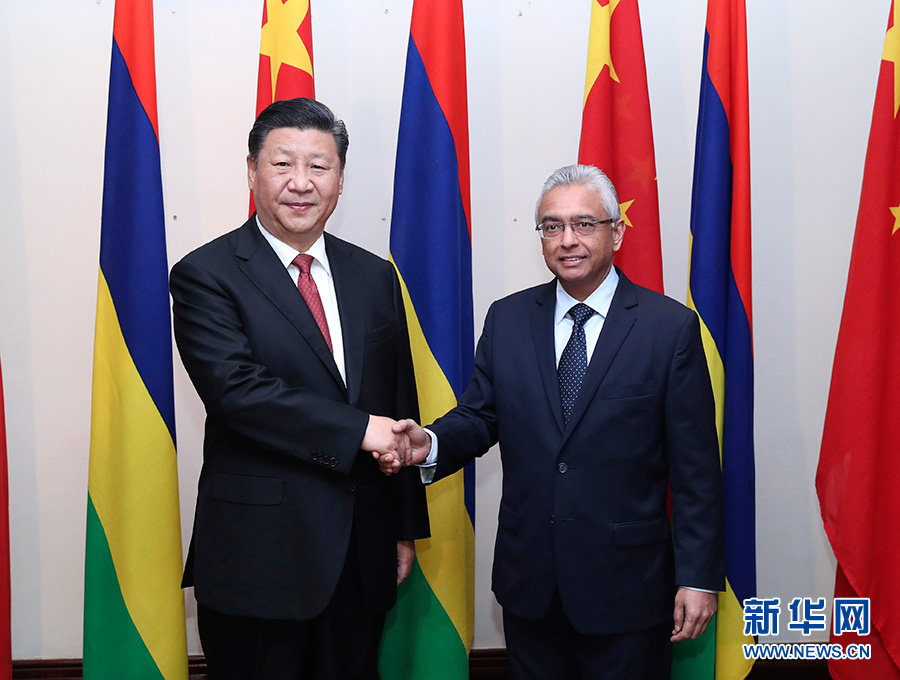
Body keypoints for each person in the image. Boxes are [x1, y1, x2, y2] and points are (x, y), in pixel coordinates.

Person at [379, 165, 725, 679]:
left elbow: (696, 469)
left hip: (628, 588)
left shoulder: (669, 328)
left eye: (585, 224)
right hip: (530, 585)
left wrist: (698, 577)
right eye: (552, 226)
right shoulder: (507, 319)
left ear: (616, 232)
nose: (567, 240)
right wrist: (427, 443)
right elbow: (480, 415)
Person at [169, 97, 428, 680]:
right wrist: (361, 431)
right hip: (260, 558)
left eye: (319, 166)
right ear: (252, 171)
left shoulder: (374, 275)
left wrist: (402, 527)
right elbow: (237, 392)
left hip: (361, 551)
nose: (301, 183)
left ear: (340, 178)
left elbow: (399, 402)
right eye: (283, 164)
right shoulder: (206, 274)